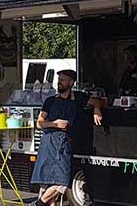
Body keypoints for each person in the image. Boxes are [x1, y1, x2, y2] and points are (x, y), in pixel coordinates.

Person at [30, 69, 102, 206]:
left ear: (71, 82)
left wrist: (96, 110)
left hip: (64, 144)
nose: (59, 82)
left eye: (62, 80)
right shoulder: (50, 101)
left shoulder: (79, 97)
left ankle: (39, 203)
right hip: (49, 143)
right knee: (46, 182)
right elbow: (39, 123)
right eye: (59, 80)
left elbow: (96, 101)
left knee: (63, 181)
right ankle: (41, 203)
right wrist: (54, 123)